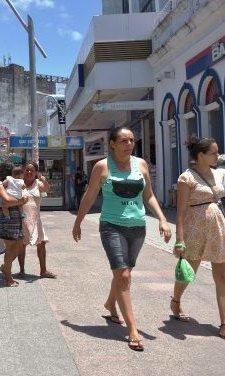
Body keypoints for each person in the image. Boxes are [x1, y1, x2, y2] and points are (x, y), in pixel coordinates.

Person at [72, 126, 171, 351]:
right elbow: (89, 196)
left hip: (137, 227)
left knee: (125, 272)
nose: (129, 145)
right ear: (113, 144)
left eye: (132, 141)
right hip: (111, 226)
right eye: (124, 141)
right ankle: (132, 330)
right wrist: (78, 221)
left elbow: (149, 195)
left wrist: (163, 219)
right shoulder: (102, 167)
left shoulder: (141, 165)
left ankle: (110, 303)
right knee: (123, 275)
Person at [171, 135, 225, 339]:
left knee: (222, 276)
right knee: (189, 272)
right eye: (213, 152)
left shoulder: (219, 174)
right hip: (195, 229)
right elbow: (181, 210)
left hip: (218, 228)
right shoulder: (187, 177)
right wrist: (180, 239)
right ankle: (176, 300)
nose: (217, 155)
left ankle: (223, 323)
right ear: (200, 155)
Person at [17, 161, 55, 279]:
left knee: (41, 244)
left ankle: (43, 271)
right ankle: (22, 270)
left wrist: (43, 179)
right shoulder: (19, 183)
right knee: (22, 245)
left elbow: (47, 189)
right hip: (22, 220)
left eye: (31, 170)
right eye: (27, 170)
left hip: (36, 220)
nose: (29, 172)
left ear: (36, 172)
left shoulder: (38, 183)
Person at [0, 163, 28, 287]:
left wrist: (18, 202)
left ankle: (5, 267)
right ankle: (8, 279)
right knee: (11, 248)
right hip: (7, 217)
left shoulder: (13, 184)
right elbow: (7, 201)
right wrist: (22, 201)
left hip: (15, 216)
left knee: (18, 246)